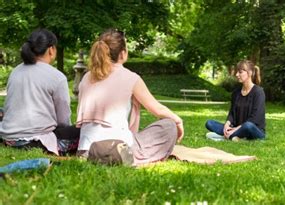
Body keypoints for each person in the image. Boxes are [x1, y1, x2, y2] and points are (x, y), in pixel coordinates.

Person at [76, 29, 183, 166]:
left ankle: (105, 156)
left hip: (85, 150)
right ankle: (122, 157)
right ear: (123, 53)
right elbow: (157, 109)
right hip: (118, 148)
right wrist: (178, 121)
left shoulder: (86, 77)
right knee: (168, 125)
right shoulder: (131, 78)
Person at [0, 29, 79, 156]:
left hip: (8, 137)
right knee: (84, 129)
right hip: (34, 141)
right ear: (51, 49)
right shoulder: (57, 77)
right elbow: (63, 121)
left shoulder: (15, 71)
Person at [205, 60, 266, 141]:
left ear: (250, 73)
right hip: (236, 128)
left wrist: (236, 129)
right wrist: (227, 124)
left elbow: (255, 118)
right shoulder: (236, 93)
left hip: (253, 130)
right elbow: (232, 114)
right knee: (209, 123)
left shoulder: (258, 92)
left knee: (248, 125)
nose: (237, 75)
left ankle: (226, 137)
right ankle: (235, 137)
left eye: (240, 72)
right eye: (237, 72)